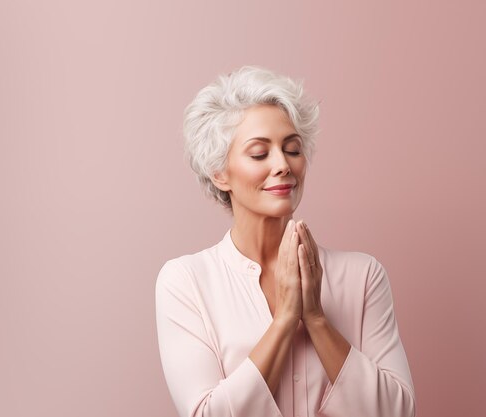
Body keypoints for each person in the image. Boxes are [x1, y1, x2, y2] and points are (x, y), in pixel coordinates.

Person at [155, 65, 416, 417]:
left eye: (292, 149)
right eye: (259, 153)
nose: (282, 165)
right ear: (219, 172)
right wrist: (285, 321)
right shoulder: (186, 282)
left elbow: (398, 412)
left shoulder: (364, 276)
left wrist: (316, 318)